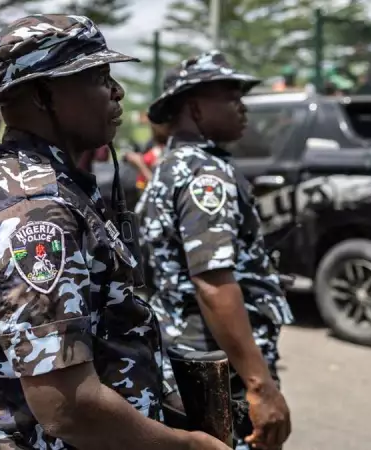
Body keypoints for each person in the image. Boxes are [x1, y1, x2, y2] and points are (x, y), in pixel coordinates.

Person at [0, 14, 229, 450]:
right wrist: (188, 446)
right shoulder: (32, 212)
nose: (117, 92)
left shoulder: (59, 186)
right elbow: (67, 406)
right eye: (99, 78)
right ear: (42, 94)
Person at [136, 50, 294, 450]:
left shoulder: (171, 165)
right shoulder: (205, 174)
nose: (243, 107)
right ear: (194, 107)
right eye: (230, 97)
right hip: (217, 361)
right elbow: (212, 281)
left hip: (188, 352)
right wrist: (260, 386)